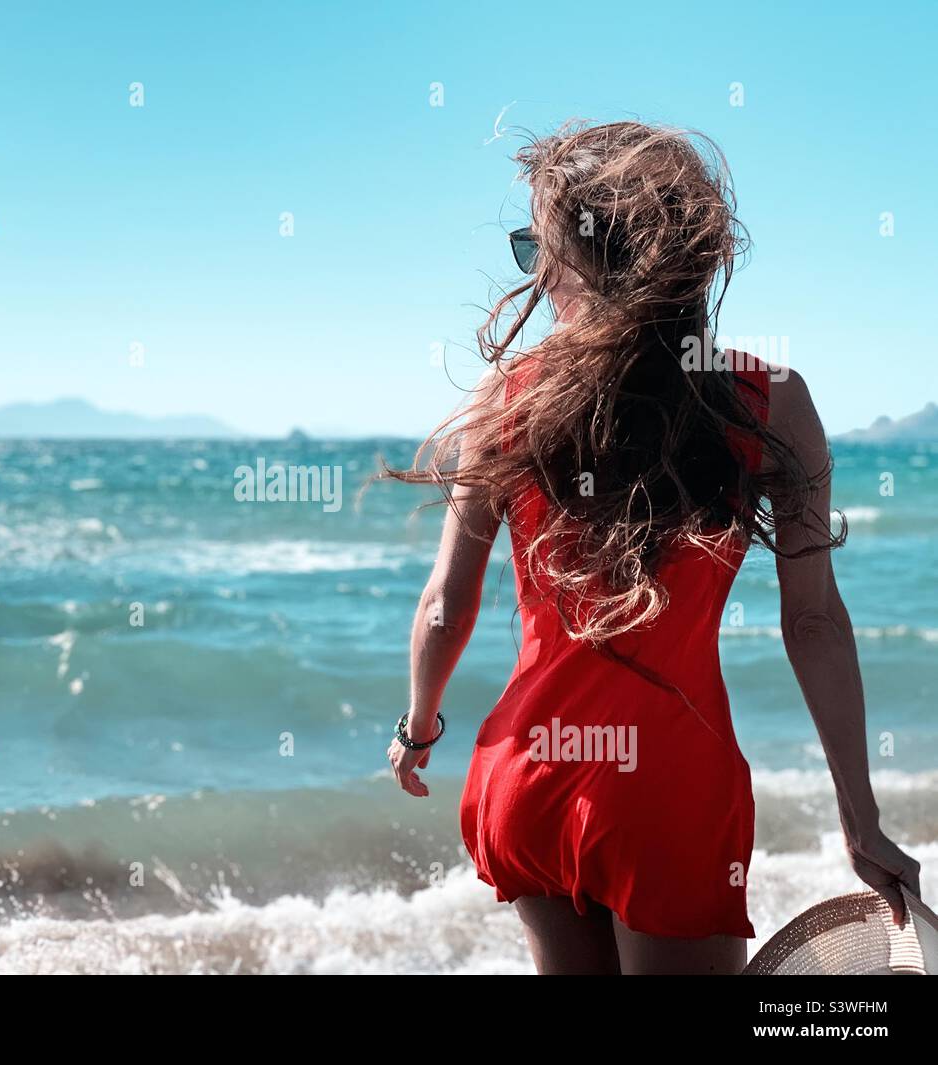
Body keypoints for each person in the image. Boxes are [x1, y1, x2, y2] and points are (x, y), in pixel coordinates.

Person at [384, 121, 921, 975]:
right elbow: (813, 622)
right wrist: (862, 820)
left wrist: (418, 729)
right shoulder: (770, 403)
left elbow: (447, 603)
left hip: (526, 773)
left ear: (576, 260)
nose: (535, 270)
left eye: (535, 247)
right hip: (669, 789)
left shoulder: (504, 398)